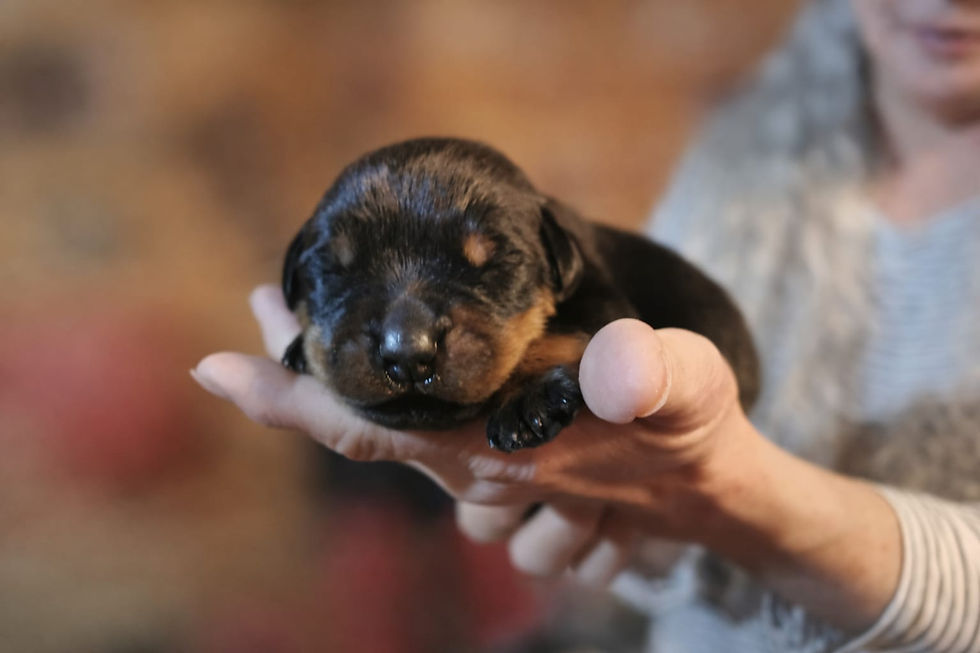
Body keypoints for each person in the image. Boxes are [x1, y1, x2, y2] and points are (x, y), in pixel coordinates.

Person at [192, 0, 980, 650]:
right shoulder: (744, 154)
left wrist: (743, 501)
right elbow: (655, 566)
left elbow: (639, 368)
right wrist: (630, 538)